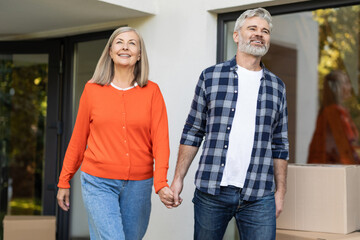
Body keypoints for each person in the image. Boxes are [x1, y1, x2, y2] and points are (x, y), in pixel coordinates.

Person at [170, 8, 289, 240]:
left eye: (265, 31)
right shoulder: (211, 77)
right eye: (252, 28)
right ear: (237, 36)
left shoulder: (277, 86)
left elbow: (280, 144)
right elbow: (193, 131)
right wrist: (178, 178)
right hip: (211, 191)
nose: (259, 34)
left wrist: (280, 192)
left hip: (259, 194)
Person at [56, 26, 174, 240]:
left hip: (139, 184)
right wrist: (64, 180)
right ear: (110, 51)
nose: (125, 47)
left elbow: (160, 141)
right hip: (98, 181)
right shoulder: (92, 90)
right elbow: (78, 139)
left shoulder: (152, 91)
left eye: (132, 43)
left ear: (139, 55)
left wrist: (161, 183)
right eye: (119, 42)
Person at [308, 70, 359, 164]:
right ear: (338, 87)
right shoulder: (335, 113)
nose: (350, 87)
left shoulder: (326, 112)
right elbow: (346, 149)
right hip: (333, 171)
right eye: (346, 83)